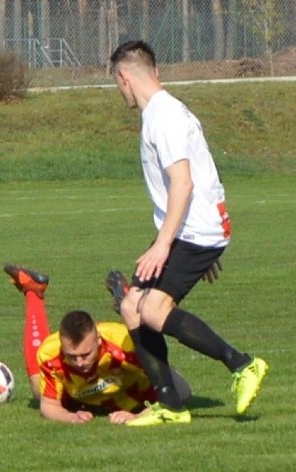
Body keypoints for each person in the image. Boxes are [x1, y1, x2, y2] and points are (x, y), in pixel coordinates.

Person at [108, 40, 268, 426]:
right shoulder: (162, 112)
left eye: (116, 83)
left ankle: (242, 364)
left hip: (191, 231)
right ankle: (170, 405)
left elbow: (183, 183)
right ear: (156, 72)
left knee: (153, 309)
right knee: (131, 305)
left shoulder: (164, 117)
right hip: (192, 232)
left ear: (124, 78)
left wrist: (169, 244)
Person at [4, 264, 190, 425]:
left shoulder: (125, 346)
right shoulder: (51, 352)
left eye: (85, 355)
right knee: (39, 391)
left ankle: (131, 306)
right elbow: (49, 407)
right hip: (81, 398)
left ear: (99, 341)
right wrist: (70, 418)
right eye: (72, 356)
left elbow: (179, 393)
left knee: (178, 386)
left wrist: (137, 416)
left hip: (135, 396)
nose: (79, 362)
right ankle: (33, 290)